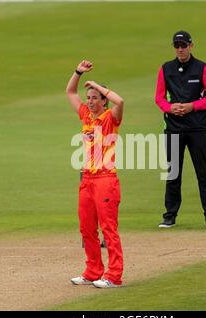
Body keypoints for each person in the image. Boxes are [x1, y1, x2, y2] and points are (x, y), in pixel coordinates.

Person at [66, 60, 124, 288]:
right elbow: (70, 91)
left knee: (108, 228)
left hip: (105, 179)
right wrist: (78, 72)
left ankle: (114, 276)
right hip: (87, 179)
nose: (89, 101)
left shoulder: (111, 117)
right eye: (88, 97)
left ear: (103, 100)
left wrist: (99, 85)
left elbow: (120, 101)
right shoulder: (85, 116)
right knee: (87, 229)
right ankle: (92, 271)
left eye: (94, 98)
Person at [155, 31, 206, 229]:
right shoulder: (166, 69)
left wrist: (193, 106)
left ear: (191, 45)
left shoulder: (202, 68)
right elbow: (159, 98)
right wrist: (170, 107)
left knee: (203, 173)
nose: (180, 49)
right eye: (177, 45)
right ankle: (170, 216)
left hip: (197, 128)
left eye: (183, 45)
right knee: (173, 173)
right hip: (174, 129)